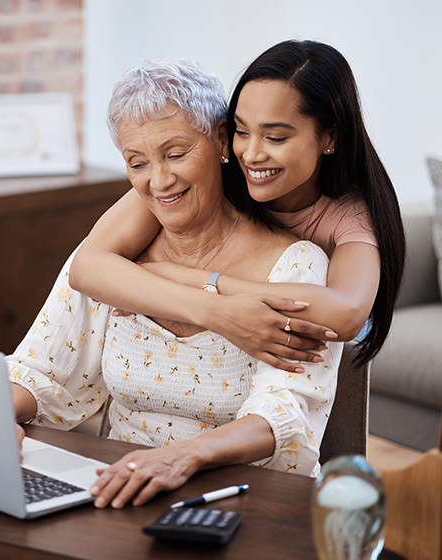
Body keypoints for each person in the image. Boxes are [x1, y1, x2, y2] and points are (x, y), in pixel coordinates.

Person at [7, 58, 343, 510]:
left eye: (177, 153)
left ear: (222, 140)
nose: (159, 181)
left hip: (246, 501)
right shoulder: (112, 261)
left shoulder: (295, 266)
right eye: (137, 162)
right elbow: (40, 371)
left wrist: (178, 459)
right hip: (126, 490)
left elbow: (283, 416)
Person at [69, 40, 406, 370]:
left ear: (329, 137)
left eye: (275, 137)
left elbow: (345, 314)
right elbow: (88, 267)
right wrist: (211, 307)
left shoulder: (351, 212)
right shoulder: (210, 172)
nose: (252, 154)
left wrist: (193, 279)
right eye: (241, 131)